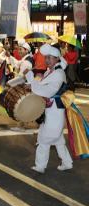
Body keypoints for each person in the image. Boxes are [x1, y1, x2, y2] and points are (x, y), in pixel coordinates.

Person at [26, 44, 73, 173]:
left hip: (55, 110)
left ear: (57, 58)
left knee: (44, 139)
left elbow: (48, 91)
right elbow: (43, 87)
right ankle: (67, 162)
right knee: (57, 139)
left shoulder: (58, 73)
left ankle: (40, 166)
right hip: (52, 110)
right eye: (46, 57)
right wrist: (35, 82)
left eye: (50, 58)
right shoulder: (51, 71)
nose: (47, 60)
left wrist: (32, 81)